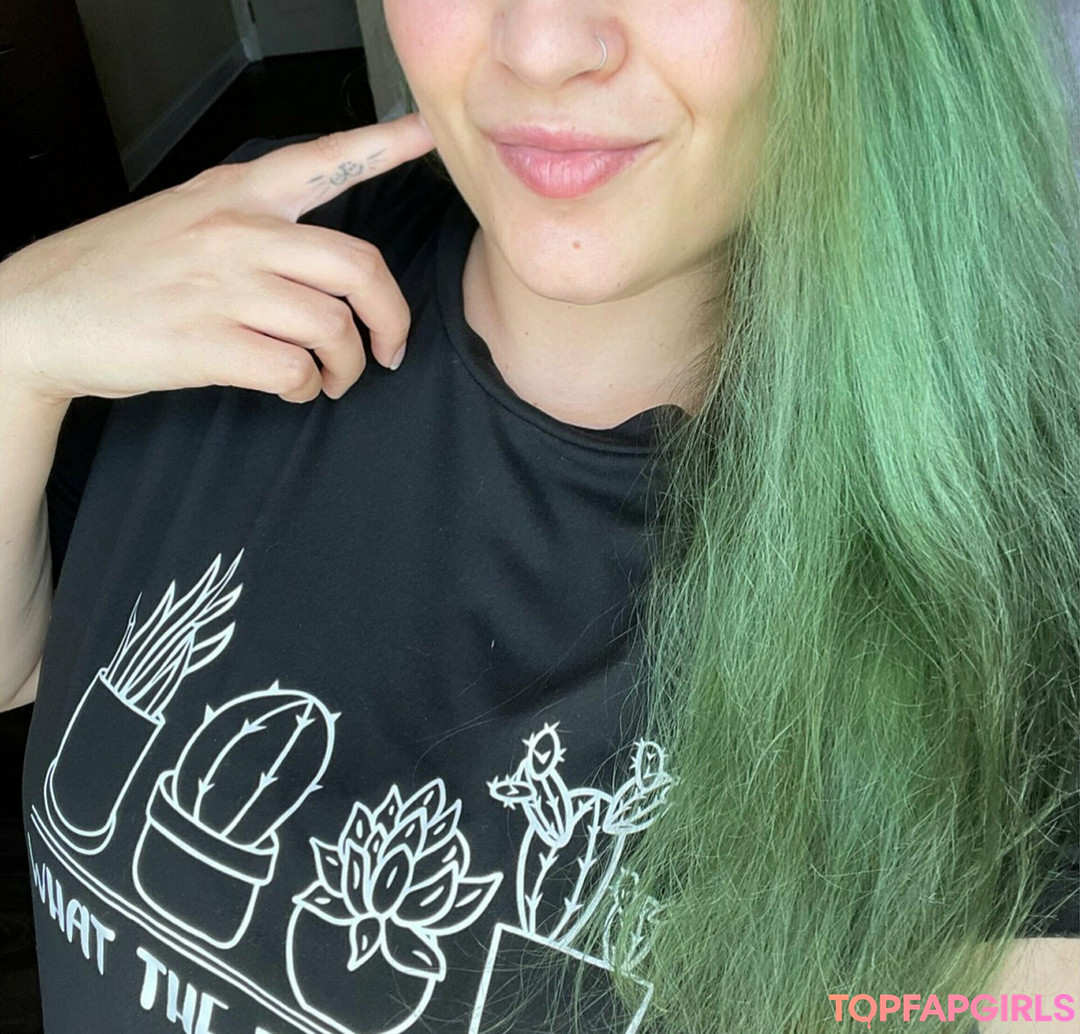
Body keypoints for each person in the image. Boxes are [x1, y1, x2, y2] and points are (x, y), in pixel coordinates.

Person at [1, 1, 1077, 1032]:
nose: (544, 43)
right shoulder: (247, 252)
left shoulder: (1012, 602)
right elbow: (26, 662)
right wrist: (21, 340)